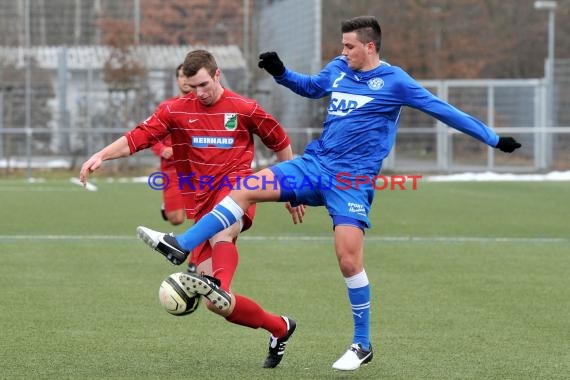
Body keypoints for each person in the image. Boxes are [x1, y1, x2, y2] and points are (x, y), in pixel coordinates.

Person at [136, 16, 522, 371]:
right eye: (342, 46)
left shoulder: (396, 82)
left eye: (349, 47)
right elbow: (310, 86)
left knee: (348, 261)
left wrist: (493, 138)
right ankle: (181, 244)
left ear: (370, 47)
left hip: (352, 180)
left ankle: (361, 344)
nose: (342, 52)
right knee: (245, 188)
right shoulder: (339, 70)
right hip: (315, 165)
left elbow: (445, 111)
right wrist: (281, 72)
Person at [79, 49, 303, 368]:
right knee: (218, 307)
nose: (198, 93)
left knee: (225, 227)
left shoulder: (245, 108)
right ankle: (280, 327)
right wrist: (101, 155)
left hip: (238, 187)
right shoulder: (176, 110)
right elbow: (138, 137)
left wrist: (293, 190)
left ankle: (210, 276)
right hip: (200, 201)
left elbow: (279, 141)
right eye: (191, 87)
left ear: (217, 75)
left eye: (202, 84)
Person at [151, 64, 191, 225]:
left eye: (189, 76)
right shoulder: (166, 107)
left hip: (199, 168)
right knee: (176, 219)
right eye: (182, 76)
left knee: (205, 217)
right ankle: (168, 208)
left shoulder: (205, 106)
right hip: (172, 169)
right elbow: (149, 134)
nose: (185, 80)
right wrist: (162, 149)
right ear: (177, 80)